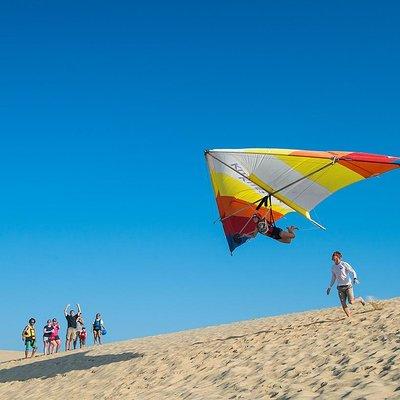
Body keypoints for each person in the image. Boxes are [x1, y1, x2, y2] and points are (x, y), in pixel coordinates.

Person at [326, 251, 366, 317]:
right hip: (340, 288)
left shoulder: (344, 264)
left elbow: (352, 271)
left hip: (348, 286)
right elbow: (333, 277)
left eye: (336, 259)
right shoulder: (333, 267)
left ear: (339, 258)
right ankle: (349, 317)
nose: (335, 261)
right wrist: (329, 287)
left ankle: (360, 299)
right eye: (333, 259)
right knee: (343, 304)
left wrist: (355, 278)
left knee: (351, 302)